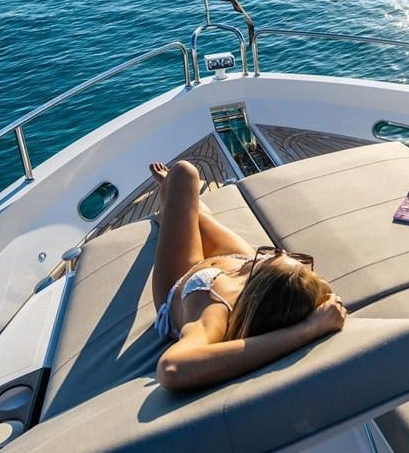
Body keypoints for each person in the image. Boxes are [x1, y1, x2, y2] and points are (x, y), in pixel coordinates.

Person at [148, 160, 347, 392]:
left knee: (184, 173)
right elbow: (323, 291)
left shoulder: (215, 312)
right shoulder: (280, 290)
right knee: (195, 212)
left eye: (273, 256)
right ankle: (180, 205)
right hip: (235, 264)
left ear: (260, 282)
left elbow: (172, 368)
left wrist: (307, 330)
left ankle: (170, 201)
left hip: (184, 276)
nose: (276, 251)